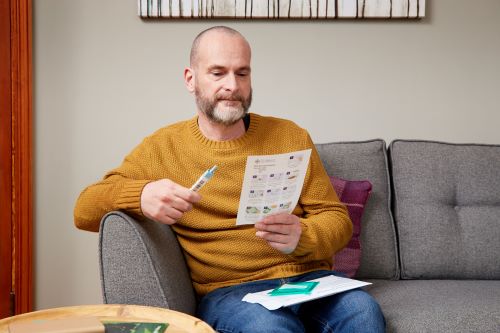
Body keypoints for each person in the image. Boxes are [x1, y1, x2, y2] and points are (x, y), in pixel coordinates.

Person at [74, 26, 385, 332]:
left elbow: (336, 219)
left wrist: (304, 235)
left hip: (309, 282)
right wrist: (141, 195)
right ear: (190, 79)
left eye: (242, 73)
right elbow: (83, 210)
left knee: (363, 310)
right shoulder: (163, 147)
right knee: (268, 327)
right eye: (218, 73)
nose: (232, 86)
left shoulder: (290, 135)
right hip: (232, 292)